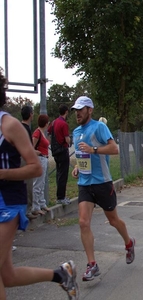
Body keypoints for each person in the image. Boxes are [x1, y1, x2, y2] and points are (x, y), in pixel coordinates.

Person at [0, 69, 79, 300]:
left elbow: (34, 167)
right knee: (8, 276)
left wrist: (2, 173)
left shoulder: (10, 125)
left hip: (8, 204)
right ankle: (61, 274)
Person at [70, 96, 135, 281]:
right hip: (85, 184)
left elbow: (114, 149)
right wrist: (77, 167)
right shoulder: (75, 132)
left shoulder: (99, 127)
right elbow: (82, 156)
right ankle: (92, 264)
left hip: (102, 182)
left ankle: (129, 243)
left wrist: (94, 150)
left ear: (90, 110)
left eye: (81, 109)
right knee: (83, 222)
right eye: (76, 109)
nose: (78, 113)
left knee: (114, 220)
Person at [48, 104, 71, 205]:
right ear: (66, 112)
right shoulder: (63, 124)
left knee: (58, 173)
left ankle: (59, 195)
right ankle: (61, 197)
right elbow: (67, 138)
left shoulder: (53, 122)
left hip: (55, 150)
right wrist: (69, 142)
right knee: (63, 174)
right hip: (62, 150)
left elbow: (49, 132)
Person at [31, 114, 51, 215]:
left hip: (44, 158)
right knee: (37, 183)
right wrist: (37, 152)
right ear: (46, 123)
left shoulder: (42, 133)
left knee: (42, 182)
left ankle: (42, 203)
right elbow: (31, 147)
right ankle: (35, 206)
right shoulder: (37, 133)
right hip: (40, 158)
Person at [20, 105, 37, 220]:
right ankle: (27, 211)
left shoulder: (20, 127)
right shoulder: (25, 128)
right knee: (28, 186)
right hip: (25, 160)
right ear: (30, 114)